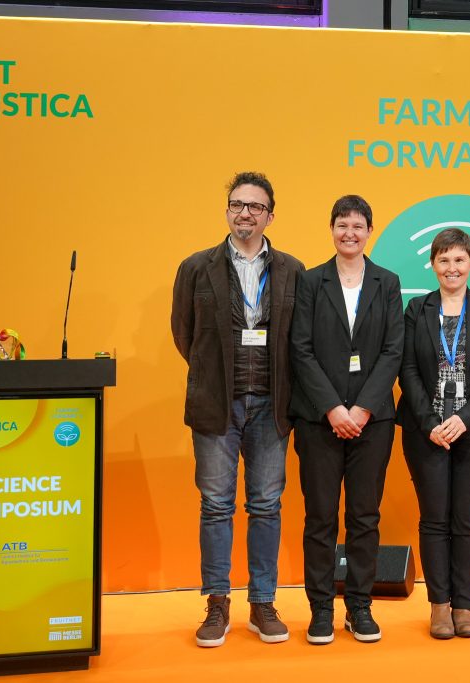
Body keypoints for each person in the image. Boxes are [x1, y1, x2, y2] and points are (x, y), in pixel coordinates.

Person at [171, 171, 304, 647]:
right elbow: (184, 334)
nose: (244, 213)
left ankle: (263, 603)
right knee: (215, 506)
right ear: (227, 211)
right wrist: (214, 376)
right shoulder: (196, 267)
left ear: (270, 216)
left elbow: (298, 338)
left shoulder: (292, 270)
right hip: (216, 406)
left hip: (272, 406)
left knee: (266, 505)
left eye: (254, 206)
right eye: (236, 204)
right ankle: (217, 602)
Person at [289, 195, 404, 645]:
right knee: (320, 518)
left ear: (369, 231)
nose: (349, 233)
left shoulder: (387, 282)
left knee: (364, 517)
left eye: (358, 226)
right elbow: (300, 349)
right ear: (332, 229)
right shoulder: (309, 281)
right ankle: (320, 609)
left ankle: (359, 606)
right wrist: (333, 409)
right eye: (342, 225)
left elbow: (393, 350)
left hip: (372, 422)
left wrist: (363, 408)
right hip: (319, 421)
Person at [397, 228, 470, 640]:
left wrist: (465, 418)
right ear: (432, 264)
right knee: (434, 520)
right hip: (426, 430)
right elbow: (407, 368)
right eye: (443, 260)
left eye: (459, 259)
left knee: (468, 521)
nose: (451, 268)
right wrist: (429, 422)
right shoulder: (417, 309)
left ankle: (464, 606)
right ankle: (439, 606)